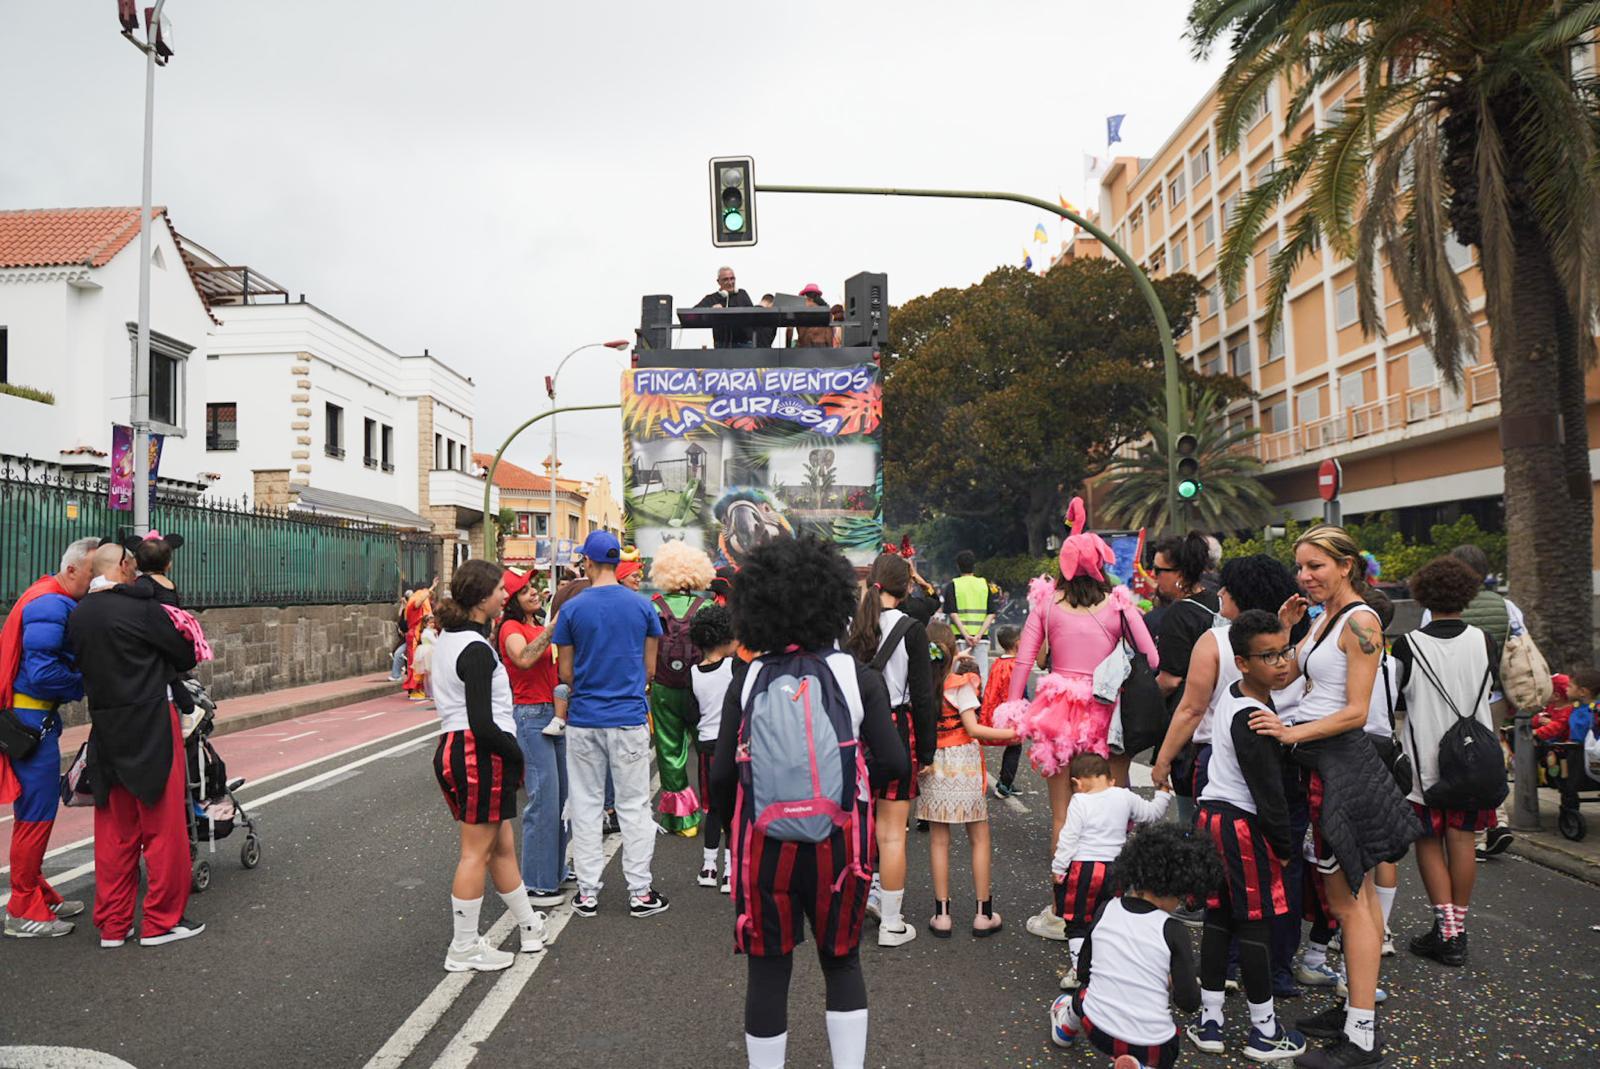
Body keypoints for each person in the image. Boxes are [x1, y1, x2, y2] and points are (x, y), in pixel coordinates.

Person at [708, 535, 907, 1069]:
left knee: (768, 969)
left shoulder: (747, 679)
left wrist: (729, 830)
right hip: (840, 841)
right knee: (841, 962)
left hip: (763, 844)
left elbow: (723, 773)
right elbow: (895, 765)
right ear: (832, 601)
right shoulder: (856, 676)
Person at [1249, 525, 1425, 1069]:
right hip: (1324, 766)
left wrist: (1289, 733)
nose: (1305, 576)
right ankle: (1356, 1011)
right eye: (1300, 566)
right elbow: (1283, 678)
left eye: (1316, 566)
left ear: (1346, 565)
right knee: (1358, 899)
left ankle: (1363, 1037)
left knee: (1349, 903)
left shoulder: (1362, 621)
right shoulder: (1324, 620)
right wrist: (1284, 629)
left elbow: (1356, 709)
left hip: (1339, 768)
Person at [993, 497, 1157, 943]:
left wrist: (1013, 708)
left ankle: (1061, 910)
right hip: (1104, 715)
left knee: (1062, 815)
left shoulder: (1046, 605)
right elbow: (1151, 655)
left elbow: (1024, 661)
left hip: (1057, 712)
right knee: (1110, 812)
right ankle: (1112, 909)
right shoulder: (1120, 605)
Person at [68, 541, 202, 947]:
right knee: (163, 829)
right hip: (150, 721)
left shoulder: (79, 615)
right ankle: (161, 922)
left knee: (115, 832)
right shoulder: (142, 609)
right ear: (126, 566)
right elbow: (183, 654)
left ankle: (113, 925)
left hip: (106, 725)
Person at [1189, 610, 1308, 1063]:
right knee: (1257, 926)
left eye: (1285, 652)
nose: (1280, 663)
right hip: (1242, 826)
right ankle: (1263, 1031)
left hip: (1213, 819)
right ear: (1242, 662)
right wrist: (1283, 847)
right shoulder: (1256, 718)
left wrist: (1288, 626)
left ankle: (1211, 1020)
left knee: (1220, 922)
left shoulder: (1234, 696)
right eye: (1268, 656)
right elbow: (1269, 794)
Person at [428, 560, 547, 972]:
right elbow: (482, 720)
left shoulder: (450, 639)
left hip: (459, 747)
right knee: (474, 854)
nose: (504, 595)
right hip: (477, 751)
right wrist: (516, 756)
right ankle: (463, 948)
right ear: (482, 598)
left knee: (501, 847)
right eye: (499, 589)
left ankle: (530, 926)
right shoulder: (475, 649)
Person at [1393, 556, 1503, 969]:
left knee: (1427, 842)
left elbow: (1397, 700)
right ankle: (1458, 929)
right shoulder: (1485, 640)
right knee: (1463, 841)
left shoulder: (1408, 645)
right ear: (1467, 594)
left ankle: (1446, 930)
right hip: (1475, 759)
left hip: (1426, 763)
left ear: (1422, 594)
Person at [553, 531, 669, 919]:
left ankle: (587, 893)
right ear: (617, 563)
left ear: (587, 561)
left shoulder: (572, 610)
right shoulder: (642, 607)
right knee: (634, 806)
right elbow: (650, 669)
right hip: (629, 717)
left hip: (584, 720)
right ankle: (640, 892)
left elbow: (565, 671)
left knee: (585, 806)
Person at [1049, 823, 1215, 1069]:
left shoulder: (1107, 908)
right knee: (1165, 1046)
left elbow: (1084, 971)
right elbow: (1188, 1001)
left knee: (1081, 995)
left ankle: (1065, 1028)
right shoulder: (1172, 930)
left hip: (1096, 1029)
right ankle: (1143, 1066)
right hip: (1153, 1045)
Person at [0, 536, 97, 938]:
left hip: (32, 721)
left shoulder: (49, 599)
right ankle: (23, 908)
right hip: (31, 724)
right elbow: (42, 676)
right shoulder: (51, 604)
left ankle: (35, 891)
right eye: (93, 573)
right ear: (72, 569)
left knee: (34, 814)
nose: (96, 583)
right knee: (35, 817)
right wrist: (88, 680)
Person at [845, 552, 935, 948]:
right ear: (907, 587)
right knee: (892, 832)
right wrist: (928, 753)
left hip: (854, 732)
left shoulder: (851, 625)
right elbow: (924, 696)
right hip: (898, 730)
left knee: (855, 825)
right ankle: (892, 924)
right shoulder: (913, 629)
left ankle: (854, 905)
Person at [1425, 543, 1521, 858]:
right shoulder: (1506, 606)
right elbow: (1518, 645)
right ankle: (1498, 820)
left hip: (1450, 697)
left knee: (1459, 757)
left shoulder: (1437, 605)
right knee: (1490, 752)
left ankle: (1476, 831)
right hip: (1492, 694)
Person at [919, 624, 1016, 936]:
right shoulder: (960, 683)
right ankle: (982, 914)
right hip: (964, 764)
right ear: (950, 653)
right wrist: (1013, 734)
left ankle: (942, 915)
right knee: (979, 838)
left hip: (933, 763)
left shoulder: (921, 683)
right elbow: (973, 729)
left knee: (939, 840)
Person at [1053, 752, 1173, 989]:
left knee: (1077, 922)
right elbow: (1151, 813)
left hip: (1084, 868)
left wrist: (1058, 867)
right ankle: (1105, 965)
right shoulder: (1123, 796)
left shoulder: (1079, 801)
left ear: (1076, 783)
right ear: (1111, 780)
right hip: (1117, 869)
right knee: (1107, 918)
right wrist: (1162, 793)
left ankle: (1081, 970)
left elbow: (1069, 837)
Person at [497, 568, 566, 908]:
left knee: (562, 797)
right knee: (543, 799)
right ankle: (538, 882)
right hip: (531, 715)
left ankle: (554, 872)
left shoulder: (536, 625)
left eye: (533, 587)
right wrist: (552, 629)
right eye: (524, 591)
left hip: (555, 715)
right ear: (511, 600)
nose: (533, 593)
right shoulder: (511, 628)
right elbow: (522, 658)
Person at [1152, 531, 1223, 826]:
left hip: (1190, 730)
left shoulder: (1177, 615)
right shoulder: (1219, 601)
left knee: (1189, 819)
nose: (1155, 577)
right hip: (1223, 718)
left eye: (1159, 570)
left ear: (1179, 573)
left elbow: (1170, 680)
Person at [647, 540, 717, 836]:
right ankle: (718, 812)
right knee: (709, 749)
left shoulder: (653, 607)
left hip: (663, 687)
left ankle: (683, 821)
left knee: (669, 748)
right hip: (701, 685)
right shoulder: (708, 607)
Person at [688, 603, 738, 892]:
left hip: (706, 747)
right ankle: (731, 873)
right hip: (733, 746)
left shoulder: (693, 673)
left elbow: (691, 714)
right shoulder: (735, 668)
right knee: (735, 809)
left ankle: (708, 867)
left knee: (713, 809)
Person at [982, 625, 1027, 806]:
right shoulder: (1016, 665)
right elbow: (1021, 692)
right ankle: (1004, 784)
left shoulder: (999, 663)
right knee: (1015, 746)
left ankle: (1006, 780)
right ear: (1018, 644)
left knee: (1012, 745)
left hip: (999, 711)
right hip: (1013, 712)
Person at [943, 550, 998, 679]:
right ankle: (980, 699)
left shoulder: (953, 585)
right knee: (981, 675)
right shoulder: (984, 585)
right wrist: (978, 636)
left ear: (958, 566)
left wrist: (966, 635)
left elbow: (953, 613)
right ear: (974, 565)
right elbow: (991, 613)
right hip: (981, 639)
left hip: (959, 638)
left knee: (959, 675)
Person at [695, 266, 755, 348]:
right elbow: (694, 313)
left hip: (745, 344)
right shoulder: (712, 298)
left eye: (732, 279)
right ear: (718, 282)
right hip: (722, 344)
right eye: (726, 279)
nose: (730, 282)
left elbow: (753, 315)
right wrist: (711, 310)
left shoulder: (742, 294)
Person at [402, 580, 437, 701]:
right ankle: (414, 689)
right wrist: (430, 588)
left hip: (417, 637)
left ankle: (419, 688)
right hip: (414, 638)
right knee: (414, 664)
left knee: (420, 664)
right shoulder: (413, 605)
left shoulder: (417, 607)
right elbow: (419, 601)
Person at [391, 588, 413, 680]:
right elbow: (400, 616)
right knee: (397, 653)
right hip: (406, 637)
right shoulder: (406, 609)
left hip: (412, 636)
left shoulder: (413, 607)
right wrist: (403, 605)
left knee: (401, 654)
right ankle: (397, 674)